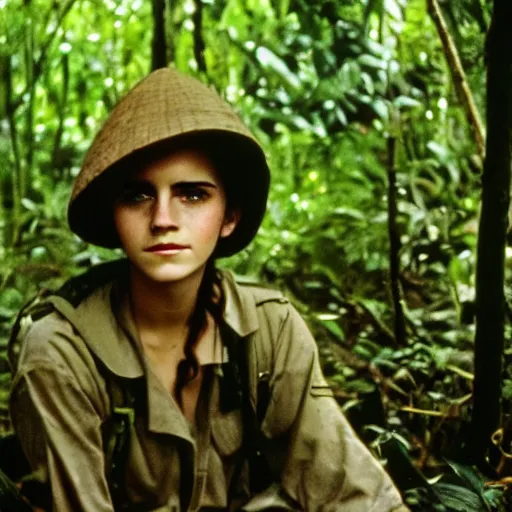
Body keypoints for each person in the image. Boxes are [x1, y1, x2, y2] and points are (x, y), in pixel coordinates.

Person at [8, 68, 409, 511]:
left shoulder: (268, 330)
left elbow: (352, 492)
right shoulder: (61, 354)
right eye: (138, 196)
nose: (163, 219)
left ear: (230, 217)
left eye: (192, 195)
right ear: (113, 216)